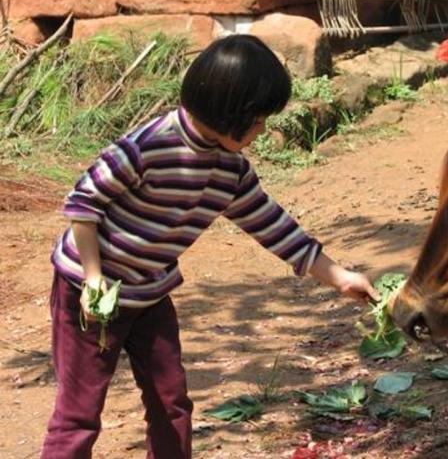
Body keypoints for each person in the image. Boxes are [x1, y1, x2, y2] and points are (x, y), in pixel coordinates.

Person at [40, 34, 380, 459]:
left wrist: (340, 277)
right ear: (229, 112)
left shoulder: (230, 170)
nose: (262, 130)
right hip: (89, 292)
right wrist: (92, 278)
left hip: (149, 293)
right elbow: (83, 204)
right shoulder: (146, 147)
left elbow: (275, 227)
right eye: (258, 120)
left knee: (171, 404)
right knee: (80, 414)